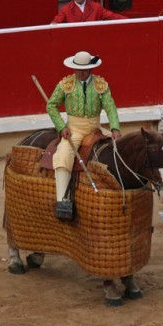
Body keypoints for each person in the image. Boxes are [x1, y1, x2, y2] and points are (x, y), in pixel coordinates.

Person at [46, 51, 121, 212]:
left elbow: (110, 107)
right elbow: (51, 105)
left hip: (96, 128)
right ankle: (62, 201)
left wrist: (115, 128)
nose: (80, 73)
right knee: (63, 155)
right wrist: (62, 127)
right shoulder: (66, 84)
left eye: (84, 70)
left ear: (90, 69)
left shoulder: (101, 84)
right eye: (78, 70)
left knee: (118, 148)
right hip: (75, 129)